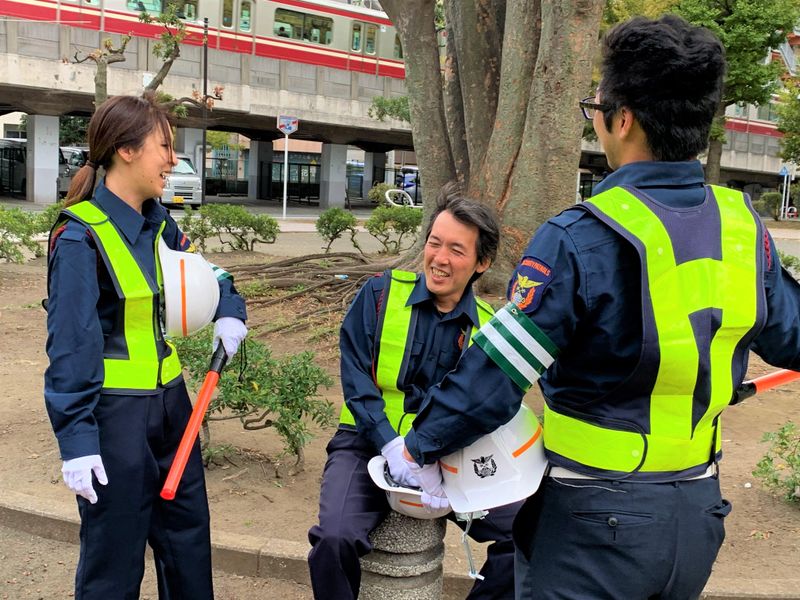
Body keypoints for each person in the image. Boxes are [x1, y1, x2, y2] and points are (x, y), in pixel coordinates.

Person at [400, 15, 800, 599]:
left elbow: (496, 373)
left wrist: (416, 448)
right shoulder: (743, 229)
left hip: (592, 526)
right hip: (695, 517)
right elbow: (791, 337)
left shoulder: (579, 237)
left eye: (595, 107)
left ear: (623, 118)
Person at [44, 93, 248, 599]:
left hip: (174, 410)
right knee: (114, 563)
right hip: (116, 422)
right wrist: (77, 441)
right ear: (127, 150)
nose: (173, 160)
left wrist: (229, 309)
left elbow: (208, 272)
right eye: (165, 146)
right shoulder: (80, 237)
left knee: (188, 547)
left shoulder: (160, 223)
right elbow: (70, 347)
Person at [307, 184, 522, 600]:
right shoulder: (379, 294)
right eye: (434, 243)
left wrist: (433, 451)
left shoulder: (489, 328)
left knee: (527, 534)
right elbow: (356, 379)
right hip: (365, 443)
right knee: (334, 539)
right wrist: (391, 446)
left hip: (452, 458)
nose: (439, 258)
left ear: (482, 263)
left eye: (456, 250)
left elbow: (488, 405)